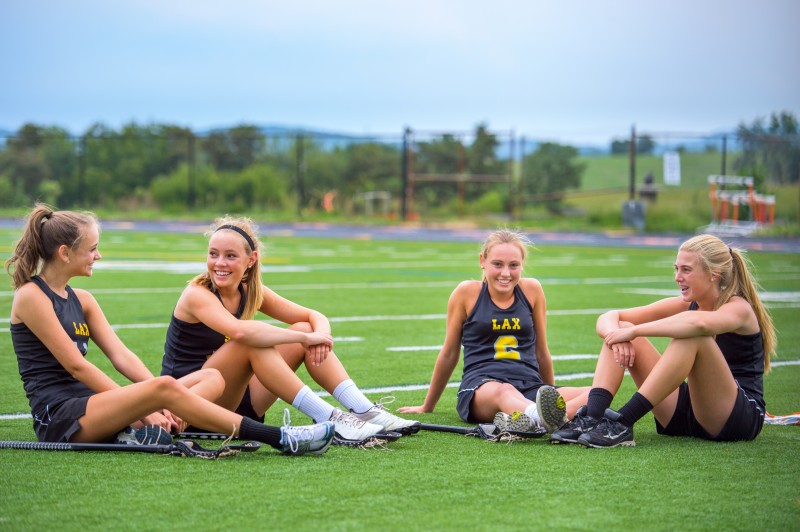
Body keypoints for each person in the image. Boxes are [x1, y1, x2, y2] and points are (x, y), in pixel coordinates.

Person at [5, 204, 334, 456]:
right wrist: (145, 405)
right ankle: (279, 437)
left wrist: (150, 403)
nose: (98, 255)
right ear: (64, 253)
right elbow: (76, 366)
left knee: (212, 379)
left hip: (92, 405)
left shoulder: (85, 300)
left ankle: (144, 429)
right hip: (60, 417)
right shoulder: (31, 297)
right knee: (161, 387)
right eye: (92, 249)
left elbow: (123, 357)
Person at [160, 216, 420, 444]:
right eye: (213, 254)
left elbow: (312, 315)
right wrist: (305, 338)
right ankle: (331, 418)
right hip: (191, 408)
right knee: (251, 340)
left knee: (303, 326)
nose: (219, 263)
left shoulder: (249, 290)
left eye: (230, 256)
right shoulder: (197, 294)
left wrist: (318, 335)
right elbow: (240, 332)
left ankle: (364, 410)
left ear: (251, 260)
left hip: (241, 402)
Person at [550, 234, 776, 447]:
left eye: (686, 270)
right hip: (690, 411)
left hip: (737, 417)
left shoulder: (739, 308)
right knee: (623, 328)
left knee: (691, 336)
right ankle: (591, 417)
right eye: (677, 269)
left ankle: (622, 423)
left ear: (714, 274)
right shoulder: (686, 304)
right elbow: (609, 317)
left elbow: (699, 325)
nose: (678, 277)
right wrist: (620, 334)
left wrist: (634, 332)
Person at [398, 229, 589, 433]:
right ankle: (543, 418)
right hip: (483, 387)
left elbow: (541, 351)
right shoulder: (466, 293)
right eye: (497, 264)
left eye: (513, 265)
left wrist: (548, 395)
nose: (505, 273)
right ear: (483, 261)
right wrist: (427, 406)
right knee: (504, 391)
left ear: (522, 264)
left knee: (595, 392)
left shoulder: (532, 290)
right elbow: (449, 353)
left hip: (528, 386)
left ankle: (546, 417)